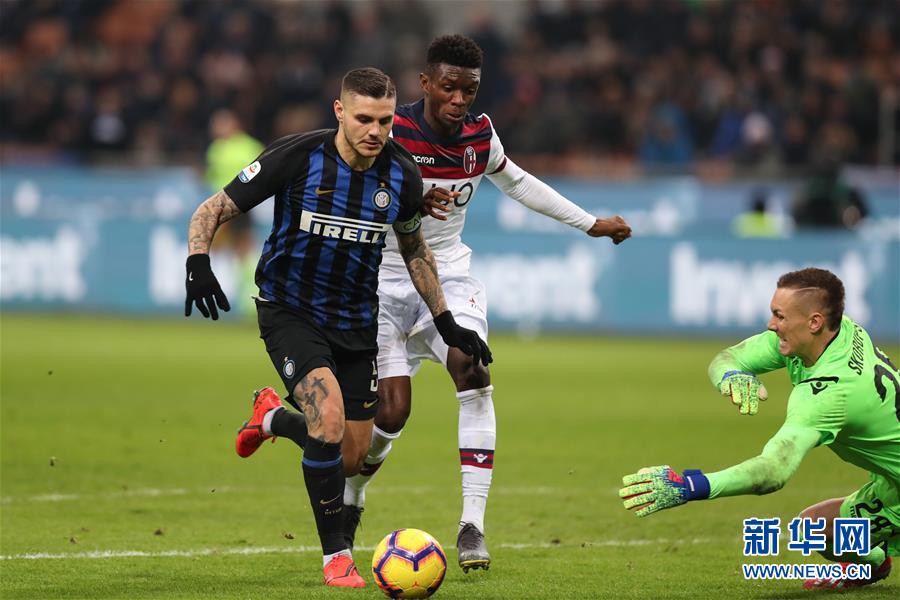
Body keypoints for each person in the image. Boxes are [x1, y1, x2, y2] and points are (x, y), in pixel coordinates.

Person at [184, 67, 491, 589]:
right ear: (340, 112)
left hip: (356, 322)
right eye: (365, 119)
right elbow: (213, 208)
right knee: (327, 420)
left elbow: (415, 251)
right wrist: (198, 261)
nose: (376, 131)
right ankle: (337, 558)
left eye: (386, 121)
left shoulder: (401, 174)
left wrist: (447, 323)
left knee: (349, 457)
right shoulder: (298, 156)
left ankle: (271, 418)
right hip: (291, 311)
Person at [342, 34, 632, 572]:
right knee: (392, 411)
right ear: (426, 83)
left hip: (448, 273)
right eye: (448, 88)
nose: (459, 99)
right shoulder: (391, 130)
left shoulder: (481, 134)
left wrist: (589, 223)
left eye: (469, 90)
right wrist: (409, 199)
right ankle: (354, 492)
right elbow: (351, 192)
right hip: (378, 279)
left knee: (472, 368)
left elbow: (518, 183)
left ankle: (471, 525)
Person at [620, 268, 898, 591]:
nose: (771, 324)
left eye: (780, 316)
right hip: (891, 483)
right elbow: (729, 358)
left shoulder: (829, 394)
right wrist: (730, 376)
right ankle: (873, 562)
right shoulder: (839, 332)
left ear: (814, 322)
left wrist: (691, 486)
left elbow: (772, 472)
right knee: (814, 528)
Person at [204, 109, 265, 317]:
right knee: (234, 250)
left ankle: (250, 295)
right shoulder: (216, 149)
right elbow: (212, 179)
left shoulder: (249, 147)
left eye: (221, 124)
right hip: (221, 207)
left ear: (234, 124)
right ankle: (246, 295)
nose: (217, 129)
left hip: (239, 205)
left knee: (239, 249)